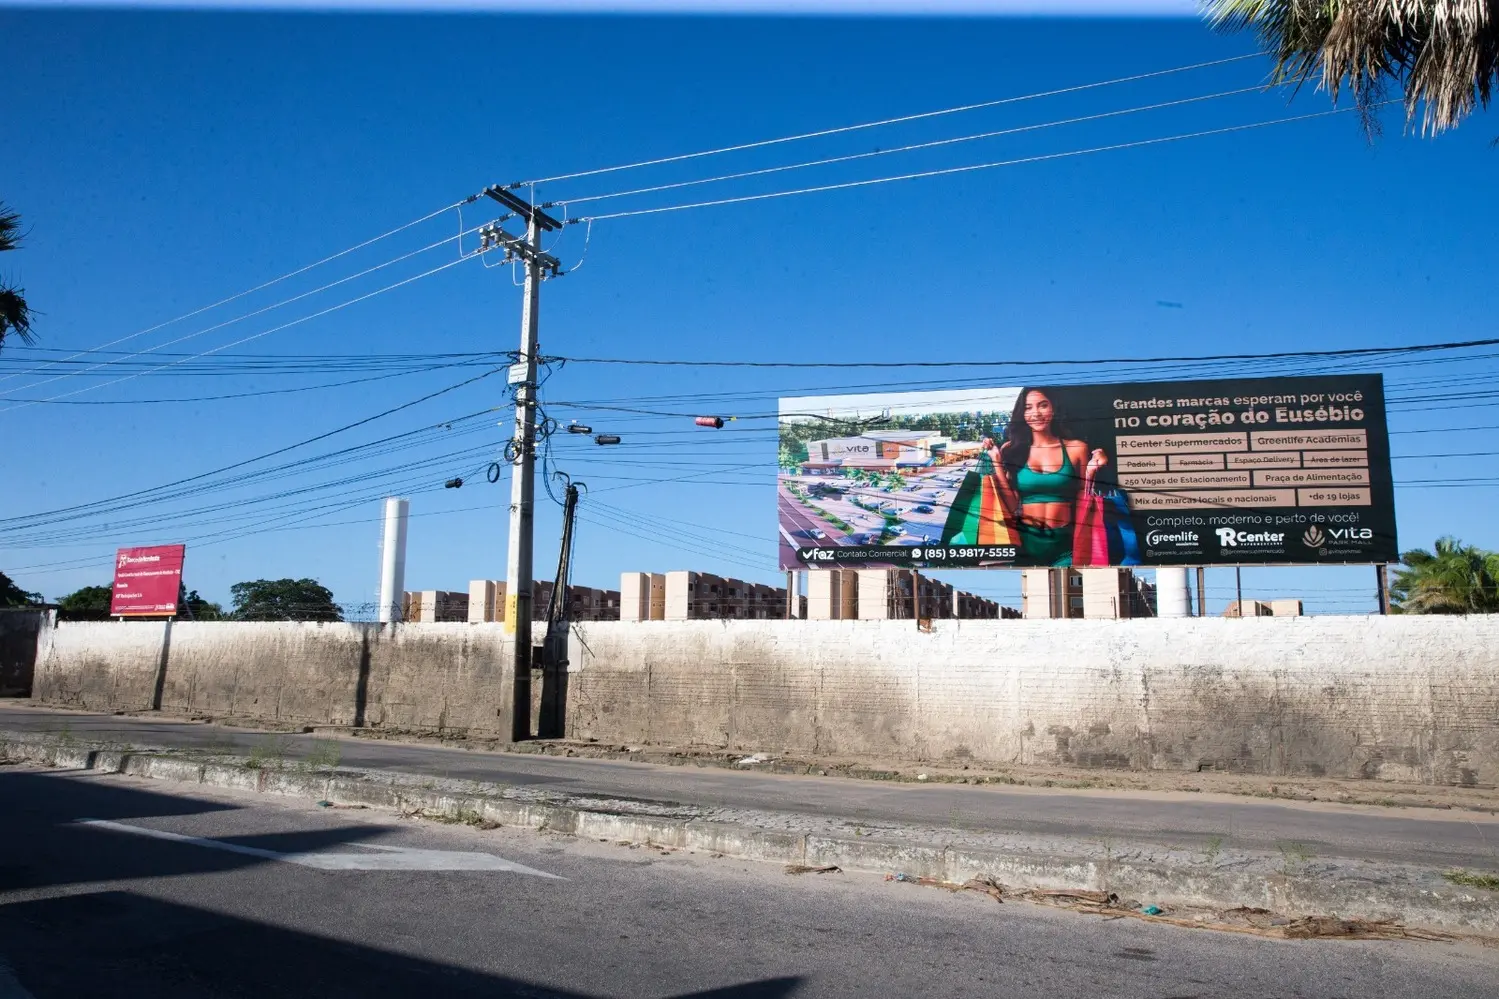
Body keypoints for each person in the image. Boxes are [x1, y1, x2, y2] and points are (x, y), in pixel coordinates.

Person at [981, 387, 1107, 566]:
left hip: (1065, 543)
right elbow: (1010, 505)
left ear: (1053, 408)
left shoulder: (1076, 448)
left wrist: (1093, 470)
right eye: (1028, 407)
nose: (1036, 413)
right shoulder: (1012, 449)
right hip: (1025, 542)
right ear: (1022, 413)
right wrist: (997, 462)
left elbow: (1084, 500)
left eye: (1043, 405)